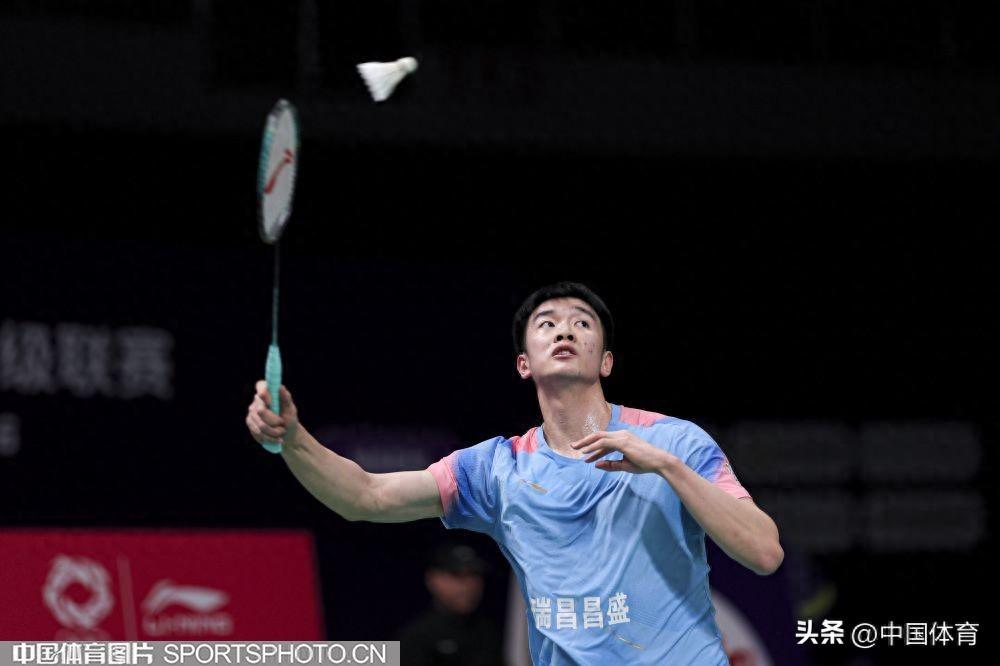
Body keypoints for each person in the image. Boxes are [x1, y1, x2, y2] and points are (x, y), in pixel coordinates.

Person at [245, 281, 783, 664]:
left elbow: (764, 552)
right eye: (546, 324)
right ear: (525, 363)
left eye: (582, 323)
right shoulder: (498, 468)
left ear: (606, 361)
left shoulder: (675, 441)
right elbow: (367, 496)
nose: (564, 329)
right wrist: (292, 438)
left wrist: (665, 468)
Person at [396, 543, 503, 666]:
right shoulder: (412, 637)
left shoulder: (490, 634)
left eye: (474, 575)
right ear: (433, 579)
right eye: (457, 575)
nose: (468, 585)